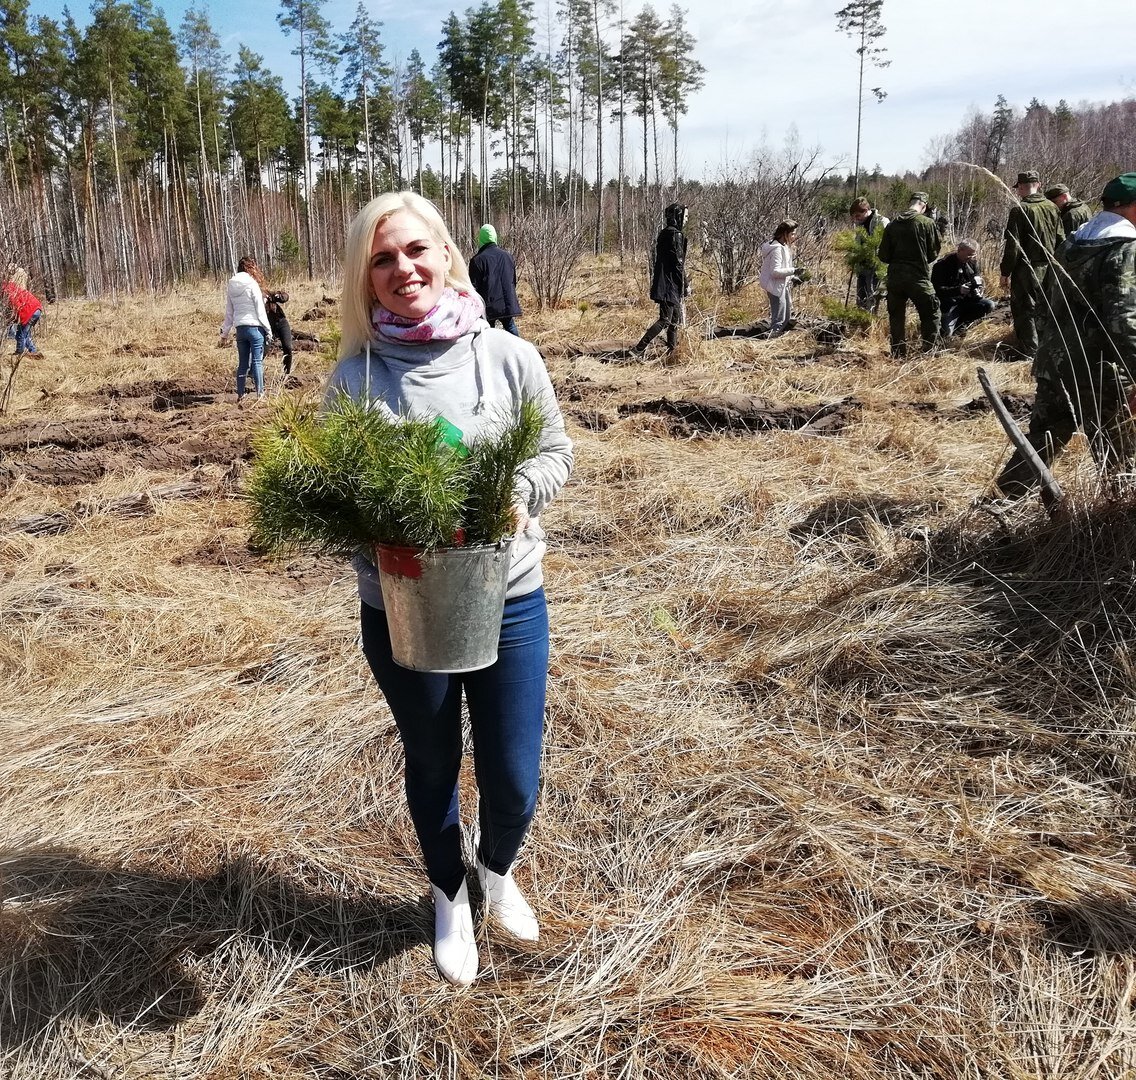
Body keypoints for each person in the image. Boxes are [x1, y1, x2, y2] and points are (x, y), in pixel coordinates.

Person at [323, 192, 573, 986]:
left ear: (447, 256)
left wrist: (520, 493)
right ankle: (448, 895)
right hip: (402, 610)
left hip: (510, 599)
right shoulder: (353, 379)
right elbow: (333, 496)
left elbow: (556, 453)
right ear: (365, 280)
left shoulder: (508, 357)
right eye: (382, 259)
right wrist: (371, 531)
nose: (403, 270)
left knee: (514, 774)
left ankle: (496, 871)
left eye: (416, 250)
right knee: (432, 761)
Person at [995, 173, 1136, 497]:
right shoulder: (1124, 247)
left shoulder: (1072, 243)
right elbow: (1124, 320)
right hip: (1101, 372)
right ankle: (1118, 529)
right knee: (1119, 456)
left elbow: (1045, 305)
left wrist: (1052, 349)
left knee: (1043, 439)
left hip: (1056, 362)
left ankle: (1002, 505)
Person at [999, 170, 1063, 360]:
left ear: (1019, 188)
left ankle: (1030, 353)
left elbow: (1013, 246)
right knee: (1047, 309)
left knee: (1025, 310)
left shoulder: (1020, 210)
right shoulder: (1053, 207)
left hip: (1028, 269)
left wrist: (1005, 272)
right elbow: (1061, 238)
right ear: (1039, 184)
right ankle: (1047, 349)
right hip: (1051, 267)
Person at [878, 192, 942, 357]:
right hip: (918, 278)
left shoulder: (892, 225)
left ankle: (898, 355)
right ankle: (929, 353)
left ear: (911, 203)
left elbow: (883, 256)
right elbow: (933, 253)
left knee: (896, 318)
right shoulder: (927, 223)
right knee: (931, 313)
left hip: (895, 279)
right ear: (924, 206)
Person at [632, 202, 688, 355]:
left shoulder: (665, 233)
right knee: (666, 320)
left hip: (668, 283)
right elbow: (678, 263)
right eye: (684, 216)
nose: (685, 220)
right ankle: (638, 349)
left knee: (674, 319)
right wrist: (685, 284)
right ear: (678, 217)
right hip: (669, 284)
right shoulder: (674, 235)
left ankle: (672, 351)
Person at [220, 255, 273, 406]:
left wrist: (224, 333)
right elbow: (260, 310)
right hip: (255, 328)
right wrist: (268, 330)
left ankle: (240, 394)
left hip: (240, 330)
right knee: (257, 361)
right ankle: (260, 394)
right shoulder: (252, 284)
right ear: (250, 268)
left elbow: (229, 312)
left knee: (243, 363)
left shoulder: (231, 285)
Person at [931, 240, 996, 339]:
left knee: (989, 305)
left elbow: (977, 279)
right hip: (949, 304)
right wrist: (958, 290)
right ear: (960, 250)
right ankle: (951, 324)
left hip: (967, 301)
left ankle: (962, 323)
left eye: (973, 255)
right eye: (969, 255)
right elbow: (937, 290)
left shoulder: (972, 263)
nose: (971, 257)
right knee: (946, 335)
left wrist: (978, 289)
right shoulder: (942, 265)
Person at [468, 224, 522, 336]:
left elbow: (473, 287)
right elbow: (513, 280)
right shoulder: (507, 256)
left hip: (488, 304)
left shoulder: (477, 260)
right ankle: (520, 349)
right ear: (495, 237)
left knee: (488, 332)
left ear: (481, 238)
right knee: (510, 326)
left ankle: (491, 352)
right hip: (506, 300)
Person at [759, 220, 802, 336]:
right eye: (792, 234)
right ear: (784, 234)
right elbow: (775, 272)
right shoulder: (777, 249)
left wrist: (792, 277)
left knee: (786, 315)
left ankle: (779, 335)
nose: (794, 236)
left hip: (782, 285)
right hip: (774, 286)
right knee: (779, 318)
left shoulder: (783, 246)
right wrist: (794, 271)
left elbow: (785, 267)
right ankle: (772, 339)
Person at [849, 197, 889, 311]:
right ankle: (861, 320)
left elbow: (885, 246)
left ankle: (871, 324)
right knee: (861, 298)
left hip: (877, 267)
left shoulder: (882, 222)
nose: (856, 219)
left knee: (873, 298)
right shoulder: (861, 225)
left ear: (866, 211)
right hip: (862, 267)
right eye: (854, 217)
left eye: (857, 216)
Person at [2, 268, 43, 357]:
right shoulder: (11, 286)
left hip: (29, 310)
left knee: (20, 334)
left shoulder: (6, 290)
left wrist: (15, 317)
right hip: (36, 308)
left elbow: (15, 304)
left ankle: (19, 354)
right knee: (26, 334)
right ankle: (33, 351)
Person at [264, 288, 294, 374]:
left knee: (288, 347)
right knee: (263, 351)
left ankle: (286, 373)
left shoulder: (267, 293)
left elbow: (285, 297)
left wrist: (280, 297)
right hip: (267, 326)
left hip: (281, 322)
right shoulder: (253, 297)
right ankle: (253, 372)